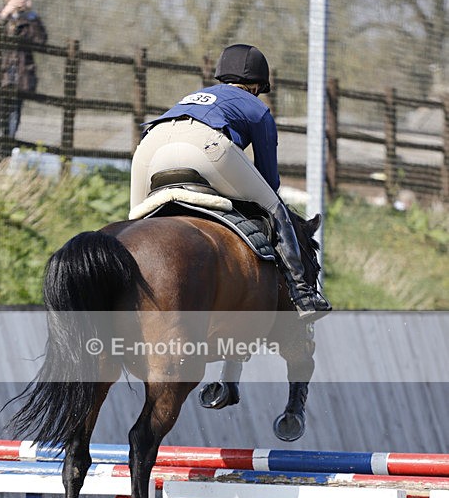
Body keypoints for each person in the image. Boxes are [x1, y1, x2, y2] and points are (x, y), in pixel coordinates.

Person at [130, 43, 331, 321]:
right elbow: (268, 181)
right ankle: (302, 293)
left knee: (135, 226)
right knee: (275, 206)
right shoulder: (257, 107)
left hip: (148, 147)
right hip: (204, 145)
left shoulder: (197, 96)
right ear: (258, 85)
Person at [0, 0, 47, 158]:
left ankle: (3, 165)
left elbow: (41, 42)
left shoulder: (29, 20)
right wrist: (5, 14)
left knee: (12, 127)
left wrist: (32, 15)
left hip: (19, 81)